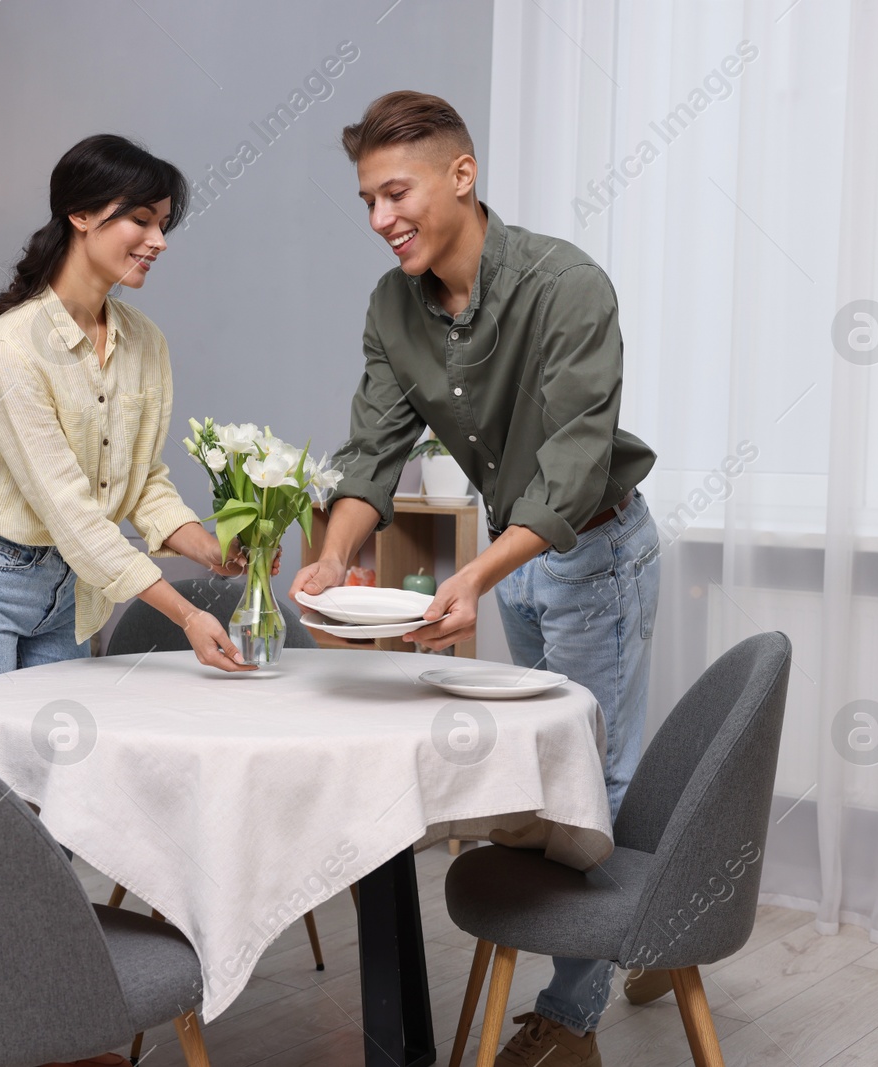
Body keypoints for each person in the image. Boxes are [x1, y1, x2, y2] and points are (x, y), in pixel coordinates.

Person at [288, 92, 662, 1067]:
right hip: (519, 556)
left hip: (595, 549)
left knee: (591, 776)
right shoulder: (391, 308)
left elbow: (575, 471)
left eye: (396, 191)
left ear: (462, 175)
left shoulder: (567, 287)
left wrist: (477, 578)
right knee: (551, 770)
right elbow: (371, 453)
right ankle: (640, 929)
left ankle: (570, 1013)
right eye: (367, 199)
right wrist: (332, 552)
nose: (380, 218)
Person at [0, 133, 255, 742]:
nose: (159, 241)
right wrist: (187, 615)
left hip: (74, 594)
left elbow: (144, 483)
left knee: (59, 784)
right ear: (80, 215)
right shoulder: (12, 348)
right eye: (142, 220)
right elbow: (71, 512)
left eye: (165, 224)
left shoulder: (146, 342)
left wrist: (212, 550)